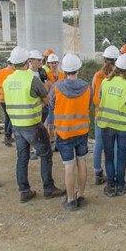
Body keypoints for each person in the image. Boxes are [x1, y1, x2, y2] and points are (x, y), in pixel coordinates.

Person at [3, 46, 66, 203]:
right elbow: (46, 100)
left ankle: (24, 191)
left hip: (16, 125)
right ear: (26, 62)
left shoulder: (7, 80)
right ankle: (48, 188)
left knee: (22, 157)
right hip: (32, 123)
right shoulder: (32, 79)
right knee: (46, 154)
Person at [51, 53, 92, 211]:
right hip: (82, 131)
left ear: (64, 69)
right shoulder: (87, 87)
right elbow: (88, 105)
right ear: (78, 69)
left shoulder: (57, 87)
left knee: (69, 166)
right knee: (81, 162)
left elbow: (52, 104)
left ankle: (70, 200)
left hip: (64, 132)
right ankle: (80, 195)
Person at [97, 53, 126, 197]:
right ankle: (120, 186)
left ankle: (110, 186)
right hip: (123, 127)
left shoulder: (105, 83)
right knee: (121, 157)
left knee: (108, 156)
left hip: (106, 125)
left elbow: (100, 98)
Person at [91, 45, 120, 185]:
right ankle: (114, 174)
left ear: (104, 59)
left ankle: (97, 172)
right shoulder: (118, 77)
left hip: (99, 115)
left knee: (99, 144)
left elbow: (93, 93)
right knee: (114, 146)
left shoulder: (97, 75)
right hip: (114, 116)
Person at [28, 50, 50, 159]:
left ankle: (37, 149)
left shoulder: (41, 72)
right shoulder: (27, 74)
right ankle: (31, 150)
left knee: (39, 129)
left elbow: (46, 88)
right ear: (31, 61)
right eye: (38, 60)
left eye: (40, 60)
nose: (40, 62)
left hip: (42, 105)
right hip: (32, 107)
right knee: (32, 130)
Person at [0, 57, 15, 146]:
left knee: (7, 117)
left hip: (1, 98)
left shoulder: (0, 72)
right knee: (12, 118)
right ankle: (7, 136)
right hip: (9, 99)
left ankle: (7, 136)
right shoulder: (13, 73)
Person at [45, 54, 65, 145]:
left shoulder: (62, 75)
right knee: (50, 125)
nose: (53, 65)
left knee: (59, 124)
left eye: (55, 63)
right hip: (50, 103)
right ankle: (52, 141)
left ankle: (57, 142)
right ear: (49, 64)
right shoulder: (46, 75)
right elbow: (46, 88)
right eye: (51, 63)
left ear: (58, 63)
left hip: (60, 103)